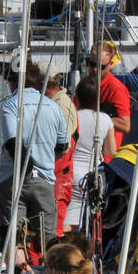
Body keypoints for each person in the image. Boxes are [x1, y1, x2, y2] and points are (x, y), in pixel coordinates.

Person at [0, 61, 69, 260]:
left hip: (14, 178)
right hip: (44, 178)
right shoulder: (54, 107)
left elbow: (13, 143)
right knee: (49, 238)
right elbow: (63, 145)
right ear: (36, 82)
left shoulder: (10, 106)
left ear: (13, 82)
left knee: (14, 236)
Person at [63, 73, 117, 233]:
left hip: (70, 174)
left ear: (77, 97)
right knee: (88, 226)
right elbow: (110, 151)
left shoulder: (72, 117)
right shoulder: (105, 120)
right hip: (92, 179)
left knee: (66, 224)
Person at [45, 73, 79, 235]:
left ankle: (54, 257)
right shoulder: (57, 103)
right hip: (57, 173)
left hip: (60, 173)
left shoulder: (61, 105)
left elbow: (63, 146)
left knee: (55, 228)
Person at [86, 40, 131, 148]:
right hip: (86, 150)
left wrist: (96, 118)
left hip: (106, 155)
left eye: (101, 67)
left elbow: (125, 125)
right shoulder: (85, 84)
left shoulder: (116, 88)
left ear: (110, 65)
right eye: (92, 64)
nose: (95, 70)